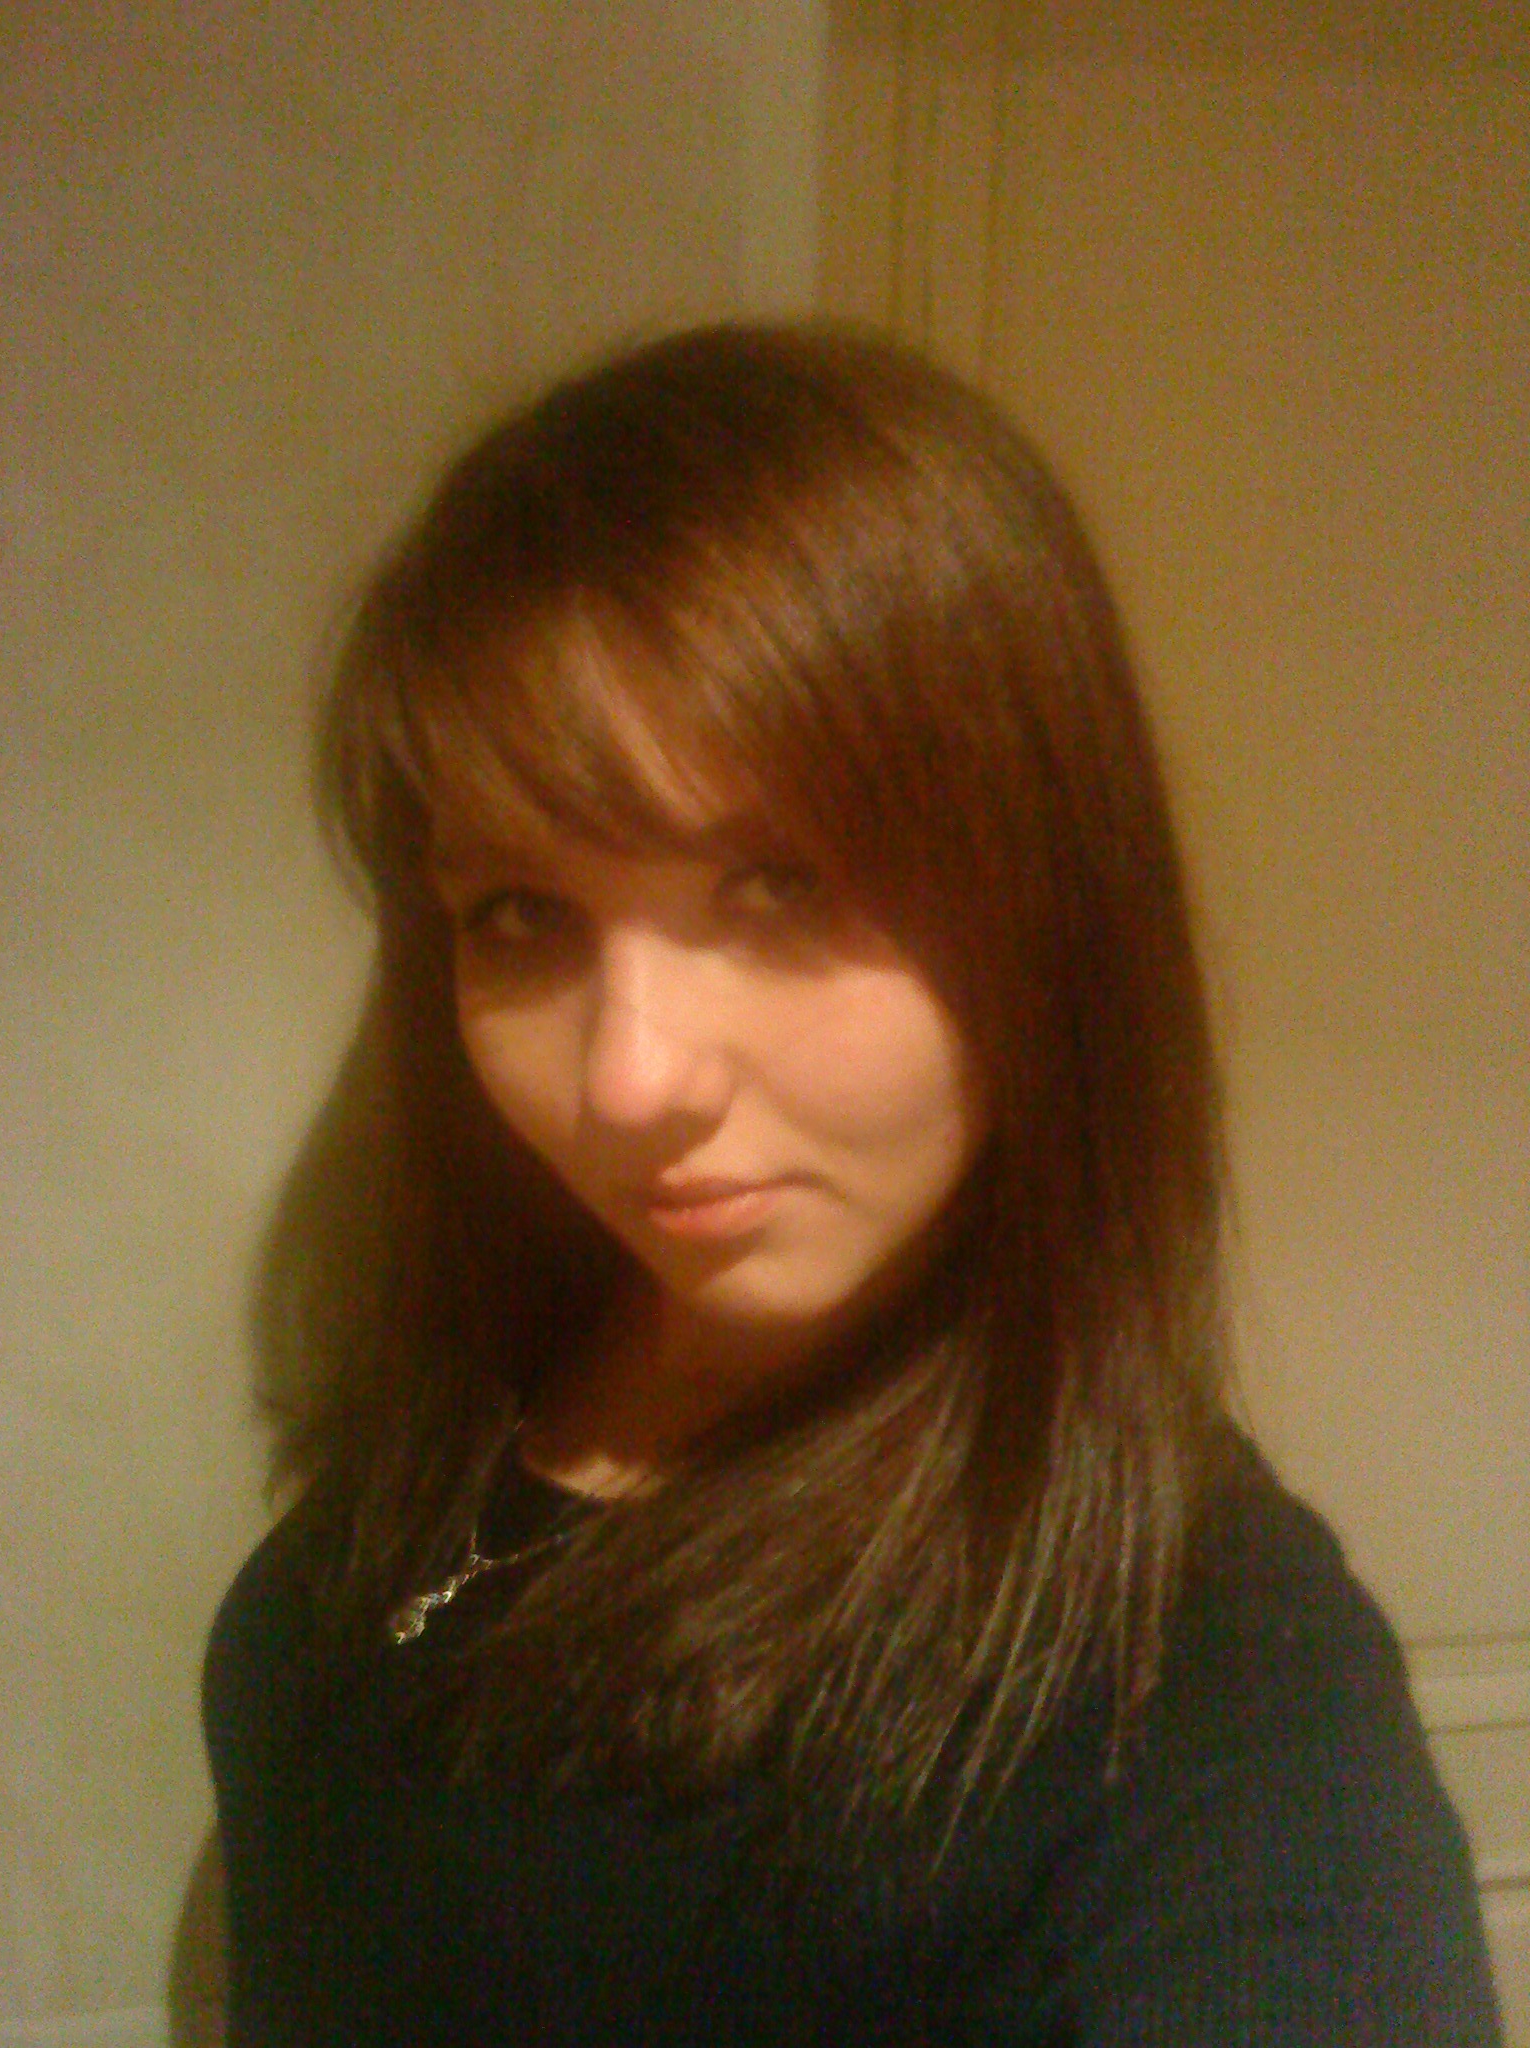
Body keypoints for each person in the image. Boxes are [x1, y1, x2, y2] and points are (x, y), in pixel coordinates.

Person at [201, 322, 1502, 2045]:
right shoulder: (496, 1372)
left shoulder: (1207, 1679)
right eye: (521, 915)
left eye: (779, 887)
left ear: (1048, 904)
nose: (627, 1081)